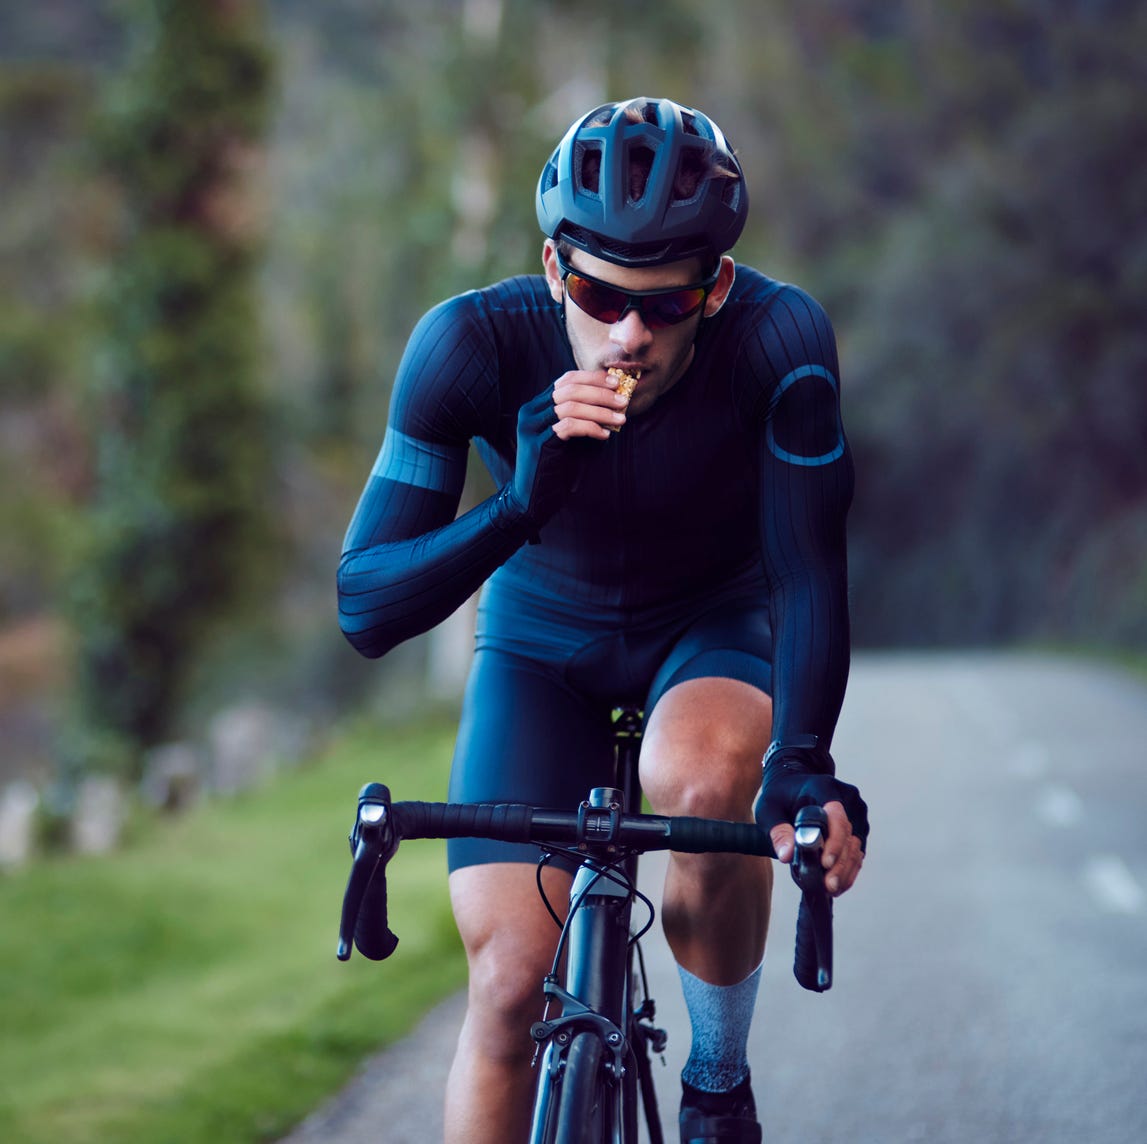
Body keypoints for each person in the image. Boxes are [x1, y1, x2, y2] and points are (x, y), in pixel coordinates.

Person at [337, 97, 869, 1144]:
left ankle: (715, 1081)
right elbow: (367, 605)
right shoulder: (468, 346)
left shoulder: (779, 342)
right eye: (595, 292)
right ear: (551, 267)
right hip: (540, 646)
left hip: (708, 627)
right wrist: (518, 504)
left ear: (714, 284)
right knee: (507, 984)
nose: (627, 332)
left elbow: (807, 573)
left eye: (665, 305)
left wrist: (802, 764)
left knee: (707, 778)